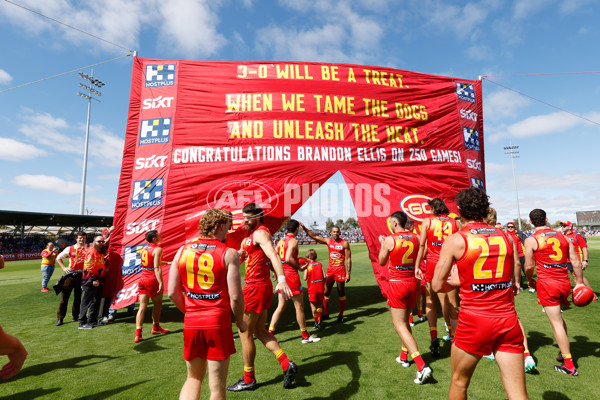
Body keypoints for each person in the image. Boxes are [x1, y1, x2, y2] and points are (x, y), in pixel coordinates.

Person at [432, 187, 528, 400]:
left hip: (474, 321)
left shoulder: (457, 239)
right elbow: (512, 278)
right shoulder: (507, 237)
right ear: (486, 210)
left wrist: (459, 282)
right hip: (508, 320)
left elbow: (437, 285)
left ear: (459, 210)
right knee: (518, 394)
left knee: (459, 383)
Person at [168, 208, 247, 400]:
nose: (228, 232)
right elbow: (235, 297)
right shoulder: (229, 253)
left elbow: (172, 292)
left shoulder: (182, 250)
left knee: (193, 378)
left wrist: (190, 311)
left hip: (192, 322)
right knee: (217, 387)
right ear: (220, 226)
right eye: (228, 228)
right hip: (218, 323)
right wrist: (240, 321)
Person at [227, 203, 297, 392]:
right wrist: (241, 254)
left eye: (247, 218)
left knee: (245, 333)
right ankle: (286, 363)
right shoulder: (250, 237)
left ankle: (249, 379)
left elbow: (273, 255)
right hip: (260, 286)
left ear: (257, 217)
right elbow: (251, 258)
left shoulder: (260, 233)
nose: (244, 221)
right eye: (243, 217)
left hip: (255, 287)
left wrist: (281, 279)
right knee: (260, 331)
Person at [524, 209, 585, 376]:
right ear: (546, 219)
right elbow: (576, 262)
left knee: (556, 322)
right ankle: (564, 352)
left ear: (530, 221)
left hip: (547, 283)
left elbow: (529, 266)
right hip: (563, 282)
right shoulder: (564, 237)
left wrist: (529, 280)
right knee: (559, 319)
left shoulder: (531, 240)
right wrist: (579, 283)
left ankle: (569, 365)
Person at [379, 211, 432, 385]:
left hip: (397, 284)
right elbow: (422, 254)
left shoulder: (390, 239)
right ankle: (403, 356)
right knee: (405, 323)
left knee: (399, 325)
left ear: (395, 223)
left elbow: (381, 261)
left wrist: (382, 245)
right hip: (412, 284)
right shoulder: (415, 237)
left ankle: (421, 365)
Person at [414, 198, 459, 357]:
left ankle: (434, 335)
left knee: (430, 300)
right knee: (451, 302)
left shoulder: (427, 222)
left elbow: (422, 246)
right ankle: (454, 338)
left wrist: (417, 265)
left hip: (432, 264)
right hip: (449, 264)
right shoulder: (454, 223)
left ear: (434, 208)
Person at [268, 219, 320, 343]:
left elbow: (274, 257)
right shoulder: (293, 240)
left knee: (281, 306)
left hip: (282, 275)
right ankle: (305, 336)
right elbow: (288, 258)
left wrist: (275, 272)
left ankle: (270, 332)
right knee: (299, 307)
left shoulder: (280, 241)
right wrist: (299, 267)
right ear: (297, 229)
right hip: (291, 276)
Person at [300, 224, 352, 323]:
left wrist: (348, 273)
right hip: (330, 270)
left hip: (340, 269)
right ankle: (326, 313)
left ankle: (341, 315)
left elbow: (348, 259)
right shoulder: (328, 241)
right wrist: (305, 228)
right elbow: (314, 236)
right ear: (331, 233)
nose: (336, 233)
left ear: (340, 233)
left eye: (337, 231)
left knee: (341, 292)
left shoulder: (344, 243)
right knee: (326, 292)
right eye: (334, 231)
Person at [134, 230, 170, 343]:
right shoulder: (158, 249)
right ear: (154, 239)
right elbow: (156, 268)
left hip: (143, 279)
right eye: (159, 234)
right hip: (152, 279)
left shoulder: (144, 249)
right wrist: (161, 282)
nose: (161, 235)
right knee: (157, 304)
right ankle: (156, 328)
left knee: (142, 307)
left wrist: (167, 263)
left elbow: (152, 263)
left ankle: (138, 334)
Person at [55, 232, 89, 326]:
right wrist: (64, 268)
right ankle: (60, 318)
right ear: (76, 239)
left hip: (83, 275)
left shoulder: (89, 247)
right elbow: (58, 258)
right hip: (71, 275)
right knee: (64, 297)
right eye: (80, 238)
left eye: (83, 238)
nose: (81, 240)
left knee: (78, 297)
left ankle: (76, 316)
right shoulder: (70, 248)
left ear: (86, 238)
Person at [78, 235, 109, 329]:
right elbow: (88, 267)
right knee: (86, 301)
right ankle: (82, 323)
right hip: (90, 280)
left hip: (99, 279)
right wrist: (93, 280)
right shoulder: (92, 252)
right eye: (99, 241)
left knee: (96, 301)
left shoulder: (100, 252)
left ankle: (92, 321)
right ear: (94, 242)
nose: (101, 243)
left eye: (102, 242)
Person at [560, 221, 594, 291]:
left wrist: (585, 260)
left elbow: (584, 248)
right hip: (567, 259)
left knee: (579, 276)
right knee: (574, 275)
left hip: (577, 259)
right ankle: (580, 291)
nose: (562, 227)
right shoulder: (562, 236)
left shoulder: (577, 236)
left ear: (570, 227)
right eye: (562, 226)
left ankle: (591, 293)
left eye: (564, 226)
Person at [303, 249, 325, 329]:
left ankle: (316, 321)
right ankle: (319, 320)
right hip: (320, 286)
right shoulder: (320, 264)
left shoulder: (308, 266)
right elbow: (324, 276)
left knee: (313, 306)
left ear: (309, 257)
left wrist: (305, 270)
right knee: (319, 304)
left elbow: (305, 278)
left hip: (312, 288)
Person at [505, 222, 529, 291]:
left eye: (512, 227)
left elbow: (525, 241)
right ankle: (520, 285)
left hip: (521, 255)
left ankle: (531, 285)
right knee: (516, 272)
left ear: (514, 227)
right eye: (509, 227)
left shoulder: (519, 234)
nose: (510, 228)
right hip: (512, 256)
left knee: (526, 271)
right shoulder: (505, 235)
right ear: (507, 228)